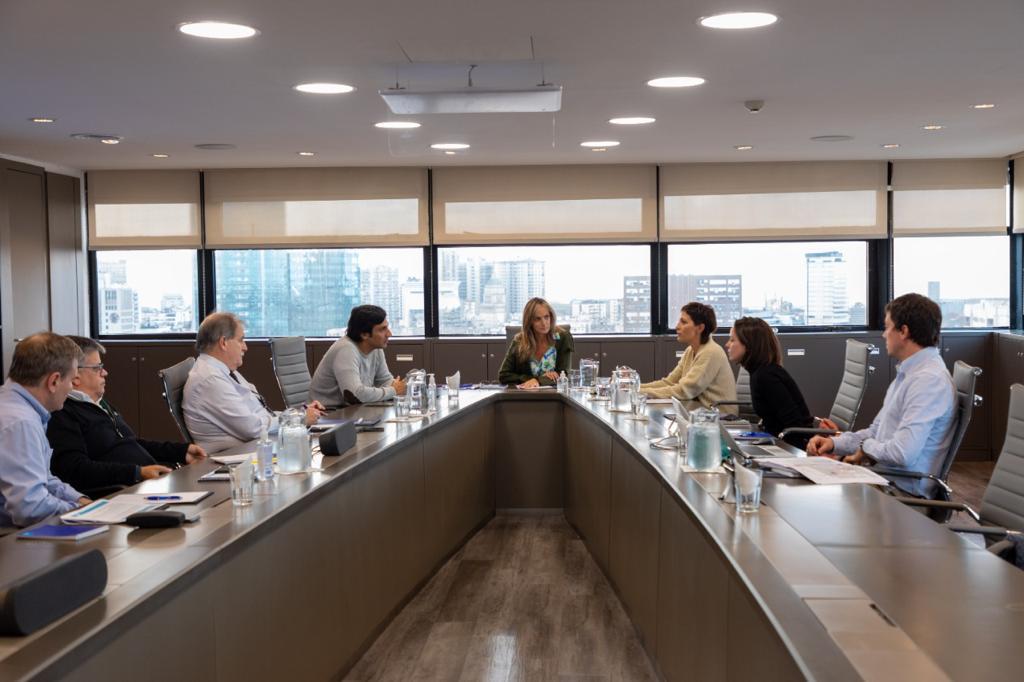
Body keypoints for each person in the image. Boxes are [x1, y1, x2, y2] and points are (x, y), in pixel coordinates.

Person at [807, 293, 955, 497]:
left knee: (815, 500)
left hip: (902, 495)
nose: (884, 335)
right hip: (883, 481)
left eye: (887, 327)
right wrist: (834, 444)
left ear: (903, 331)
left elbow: (902, 454)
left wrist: (865, 448)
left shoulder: (928, 381)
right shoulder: (908, 374)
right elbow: (876, 432)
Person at [47, 336, 207, 493]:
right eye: (97, 368)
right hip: (123, 492)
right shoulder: (62, 413)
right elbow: (75, 469)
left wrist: (180, 452)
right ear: (75, 374)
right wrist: (136, 473)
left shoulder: (100, 404)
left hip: (148, 483)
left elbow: (131, 443)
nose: (105, 373)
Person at [184, 312, 323, 452]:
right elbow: (253, 428)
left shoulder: (223, 371)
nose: (245, 347)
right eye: (241, 340)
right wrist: (298, 419)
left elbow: (261, 415)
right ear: (223, 342)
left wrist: (297, 414)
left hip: (254, 449)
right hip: (237, 458)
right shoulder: (210, 380)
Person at [0, 333, 90, 528]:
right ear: (54, 381)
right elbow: (30, 508)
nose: (73, 388)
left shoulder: (19, 409)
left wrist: (82, 502)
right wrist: (79, 512)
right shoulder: (20, 423)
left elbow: (44, 480)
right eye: (72, 380)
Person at [726, 317, 814, 447]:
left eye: (732, 340)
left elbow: (794, 426)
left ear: (749, 345)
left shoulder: (766, 376)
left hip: (791, 447)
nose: (727, 344)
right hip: (774, 440)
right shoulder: (758, 372)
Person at [640, 302, 736, 411]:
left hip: (719, 419)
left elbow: (684, 390)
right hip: (698, 414)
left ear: (700, 328)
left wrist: (640, 392)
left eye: (684, 322)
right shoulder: (690, 350)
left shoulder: (711, 352)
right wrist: (635, 388)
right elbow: (669, 382)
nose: (677, 327)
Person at [310, 305, 406, 407]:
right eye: (382, 329)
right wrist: (393, 390)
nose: (389, 334)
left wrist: (399, 386)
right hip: (327, 415)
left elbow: (384, 380)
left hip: (352, 411)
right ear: (364, 334)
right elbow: (355, 394)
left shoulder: (375, 348)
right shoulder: (346, 350)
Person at [498, 297, 574, 388]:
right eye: (537, 319)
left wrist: (538, 380)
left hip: (554, 396)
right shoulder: (519, 340)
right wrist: (533, 379)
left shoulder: (562, 338)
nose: (544, 323)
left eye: (546, 317)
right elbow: (503, 376)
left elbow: (564, 375)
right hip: (525, 395)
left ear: (551, 317)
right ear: (529, 322)